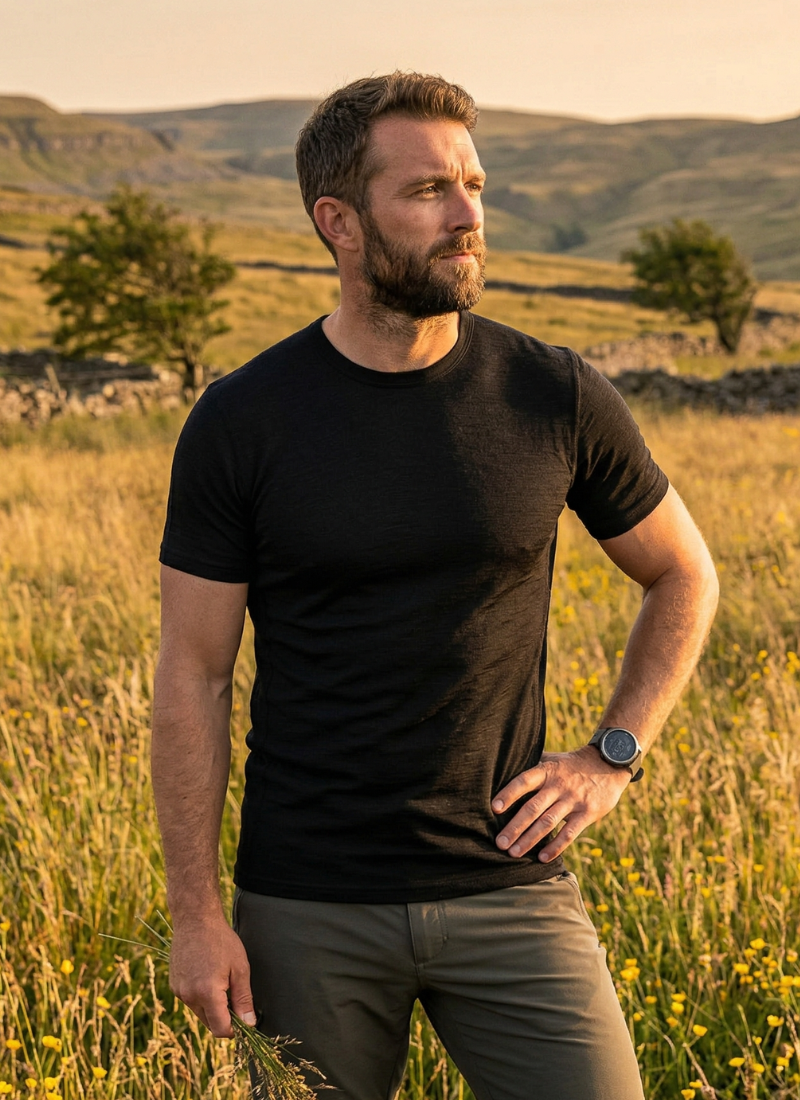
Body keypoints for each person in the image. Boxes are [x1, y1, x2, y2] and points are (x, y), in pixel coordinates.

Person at [152, 72, 719, 1100]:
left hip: (510, 888)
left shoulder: (552, 392)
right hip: (305, 902)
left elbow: (680, 572)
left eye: (473, 184)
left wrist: (611, 754)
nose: (467, 217)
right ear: (340, 223)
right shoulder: (242, 420)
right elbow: (191, 673)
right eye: (425, 192)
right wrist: (196, 913)